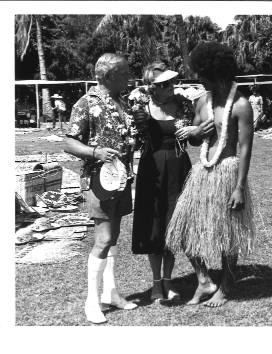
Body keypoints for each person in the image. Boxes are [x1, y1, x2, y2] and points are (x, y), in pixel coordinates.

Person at [165, 41, 255, 307]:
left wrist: (239, 187)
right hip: (202, 172)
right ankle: (203, 280)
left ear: (217, 73)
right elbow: (194, 140)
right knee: (182, 231)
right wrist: (195, 134)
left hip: (228, 170)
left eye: (203, 74)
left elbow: (245, 148)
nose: (199, 79)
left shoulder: (240, 105)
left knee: (228, 232)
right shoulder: (202, 101)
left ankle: (225, 286)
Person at [64, 53, 137, 324]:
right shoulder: (85, 103)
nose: (129, 77)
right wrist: (95, 152)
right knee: (104, 239)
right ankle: (91, 301)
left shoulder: (122, 102)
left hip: (120, 179)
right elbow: (69, 142)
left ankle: (111, 293)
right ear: (109, 77)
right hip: (98, 182)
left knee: (113, 238)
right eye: (125, 73)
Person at [131, 62, 195, 303]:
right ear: (151, 87)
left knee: (173, 223)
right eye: (164, 84)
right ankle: (156, 284)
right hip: (152, 169)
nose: (171, 86)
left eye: (171, 82)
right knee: (155, 225)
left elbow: (196, 141)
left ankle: (168, 280)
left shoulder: (183, 104)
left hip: (179, 167)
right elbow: (136, 141)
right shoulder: (141, 107)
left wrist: (195, 129)